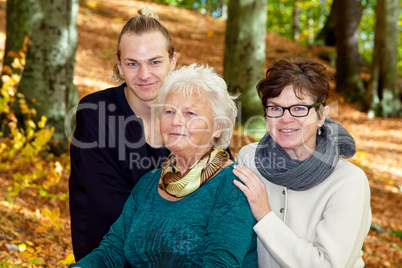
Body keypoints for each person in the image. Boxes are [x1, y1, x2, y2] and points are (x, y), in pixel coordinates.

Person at [69, 64, 257, 267]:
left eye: (190, 113)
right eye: (169, 111)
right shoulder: (148, 184)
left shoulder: (232, 185)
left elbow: (220, 264)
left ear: (218, 127)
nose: (176, 121)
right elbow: (112, 251)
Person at [232, 58, 372, 267]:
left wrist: (265, 214)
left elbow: (326, 264)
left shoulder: (348, 182)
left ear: (322, 115)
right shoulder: (249, 160)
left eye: (299, 108)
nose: (285, 118)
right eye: (275, 108)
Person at [68, 8, 178, 261]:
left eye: (155, 62)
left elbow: (220, 180)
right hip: (110, 257)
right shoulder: (95, 113)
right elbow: (113, 207)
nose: (144, 75)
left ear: (172, 62)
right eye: (132, 63)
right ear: (119, 64)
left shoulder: (192, 111)